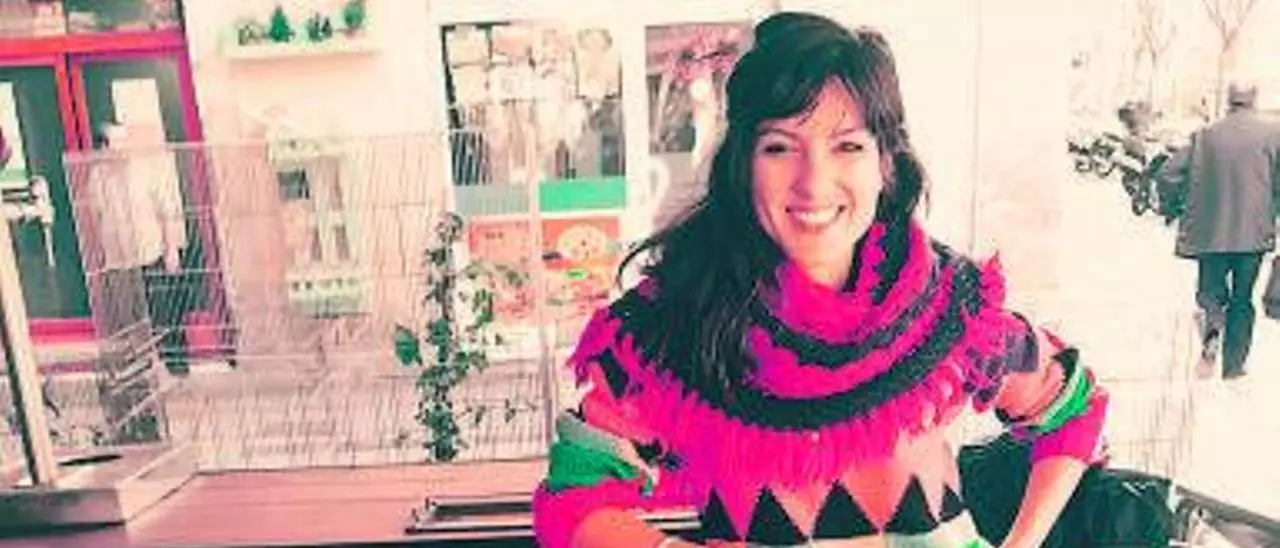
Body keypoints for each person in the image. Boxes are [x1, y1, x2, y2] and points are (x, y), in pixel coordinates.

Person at [532, 12, 1109, 547]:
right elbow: (572, 500)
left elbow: (1075, 408)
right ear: (742, 163)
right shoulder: (675, 324)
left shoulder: (947, 311)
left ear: (885, 163)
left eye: (847, 146)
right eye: (780, 147)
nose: (814, 182)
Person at [1161, 82, 1280, 380]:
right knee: (1242, 298)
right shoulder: (1273, 135)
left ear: (1229, 100)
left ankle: (1212, 330)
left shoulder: (1205, 136)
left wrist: (1172, 207)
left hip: (1210, 232)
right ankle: (1234, 366)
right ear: (1254, 100)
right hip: (1253, 234)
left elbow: (1168, 173)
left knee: (1210, 292)